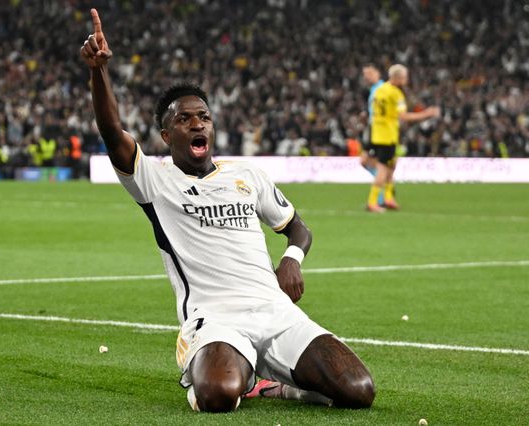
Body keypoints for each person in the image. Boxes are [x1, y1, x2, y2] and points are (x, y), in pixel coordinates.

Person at [81, 9, 375, 413]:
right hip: (215, 319)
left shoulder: (247, 175)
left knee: (359, 390)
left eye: (204, 117)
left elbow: (298, 228)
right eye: (184, 119)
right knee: (218, 395)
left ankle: (278, 386)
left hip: (275, 312)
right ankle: (233, 371)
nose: (197, 124)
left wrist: (292, 258)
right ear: (166, 135)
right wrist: (99, 71)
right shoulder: (155, 180)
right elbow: (112, 132)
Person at [366, 64, 440, 212]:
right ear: (398, 78)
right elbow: (404, 116)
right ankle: (372, 202)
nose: (406, 80)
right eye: (405, 77)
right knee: (383, 169)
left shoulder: (380, 90)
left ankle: (388, 198)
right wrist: (427, 113)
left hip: (377, 133)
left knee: (391, 166)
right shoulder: (396, 94)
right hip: (387, 136)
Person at [360, 64, 384, 203]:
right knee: (367, 162)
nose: (366, 77)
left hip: (377, 131)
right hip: (372, 129)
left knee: (373, 163)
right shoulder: (373, 89)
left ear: (377, 72)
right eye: (364, 74)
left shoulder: (381, 89)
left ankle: (380, 198)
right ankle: (384, 192)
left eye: (369, 73)